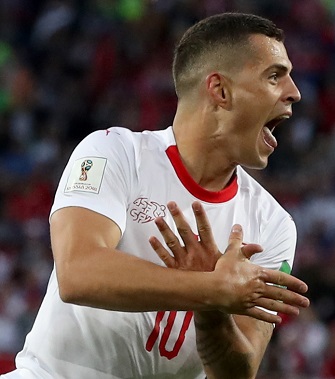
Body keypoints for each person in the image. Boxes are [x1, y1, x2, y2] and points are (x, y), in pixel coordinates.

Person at [1, 12, 309, 379]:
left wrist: (212, 310)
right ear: (220, 91)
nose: (294, 92)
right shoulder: (112, 152)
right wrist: (209, 287)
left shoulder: (273, 225)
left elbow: (237, 373)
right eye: (275, 75)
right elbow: (78, 272)